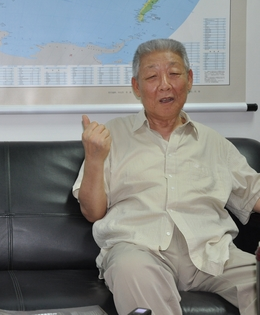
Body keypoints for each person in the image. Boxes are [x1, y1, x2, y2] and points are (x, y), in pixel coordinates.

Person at [72, 38, 259, 315]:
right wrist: (95, 158)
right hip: (139, 251)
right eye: (151, 76)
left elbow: (254, 194)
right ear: (137, 87)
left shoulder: (215, 143)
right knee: (132, 269)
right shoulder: (111, 137)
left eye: (174, 73)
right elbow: (92, 212)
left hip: (213, 254)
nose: (165, 84)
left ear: (189, 79)